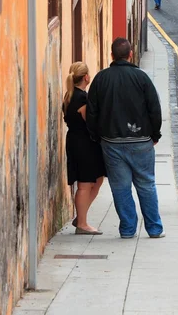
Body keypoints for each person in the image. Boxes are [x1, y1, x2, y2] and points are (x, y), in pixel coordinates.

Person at [87, 38, 164, 239]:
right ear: (130, 54)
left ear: (111, 55)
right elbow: (154, 109)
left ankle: (128, 229)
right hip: (141, 140)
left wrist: (96, 136)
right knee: (146, 184)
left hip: (111, 142)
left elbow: (92, 111)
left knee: (120, 188)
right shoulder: (142, 77)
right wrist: (155, 135)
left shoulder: (101, 78)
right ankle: (154, 229)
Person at [63, 62, 106, 235]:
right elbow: (91, 122)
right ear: (86, 77)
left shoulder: (70, 95)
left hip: (77, 141)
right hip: (84, 143)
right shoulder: (80, 98)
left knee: (97, 180)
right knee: (85, 183)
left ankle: (80, 216)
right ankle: (82, 223)